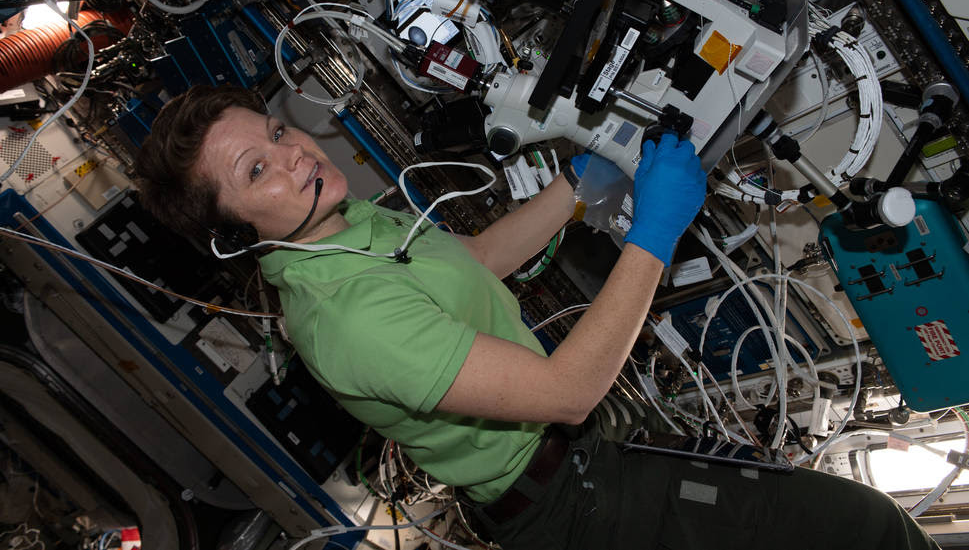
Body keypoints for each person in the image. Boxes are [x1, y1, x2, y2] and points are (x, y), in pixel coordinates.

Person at [135, 84, 939, 550]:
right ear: (231, 231)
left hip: (595, 456)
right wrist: (654, 230)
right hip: (571, 509)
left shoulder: (350, 228)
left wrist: (578, 186)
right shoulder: (342, 319)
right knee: (858, 528)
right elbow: (564, 391)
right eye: (257, 169)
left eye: (275, 132)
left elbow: (477, 261)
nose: (296, 154)